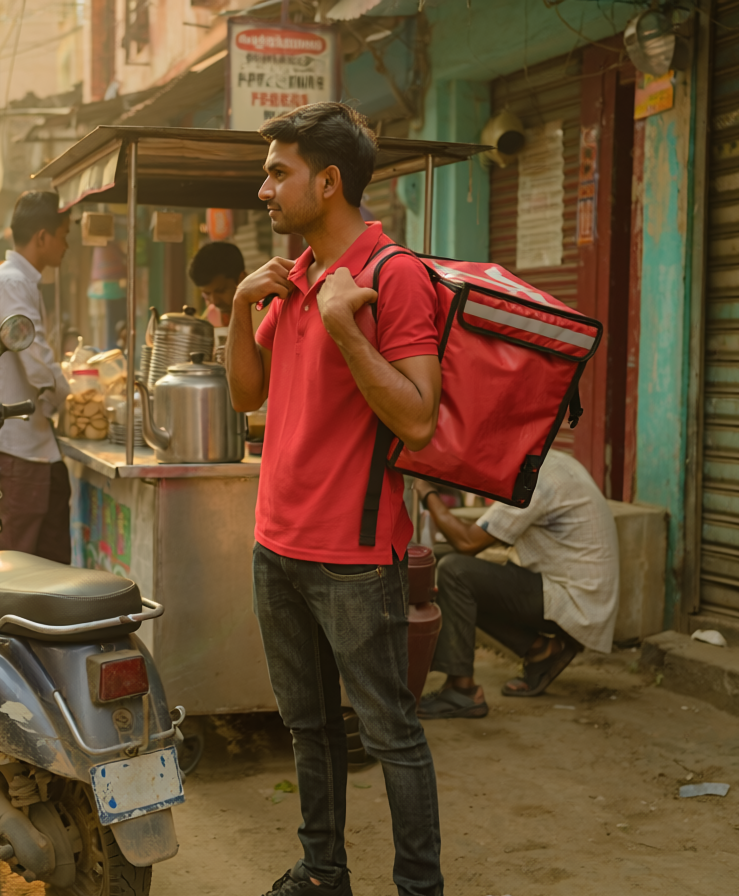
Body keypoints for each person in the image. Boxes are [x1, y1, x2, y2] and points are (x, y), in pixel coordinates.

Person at [226, 103, 444, 896]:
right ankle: (324, 872)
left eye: (277, 173)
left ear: (327, 181)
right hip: (276, 545)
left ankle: (419, 887)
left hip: (354, 559)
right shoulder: (296, 277)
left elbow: (418, 417)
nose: (265, 190)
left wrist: (348, 329)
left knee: (390, 733)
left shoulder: (394, 276)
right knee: (306, 727)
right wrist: (243, 307)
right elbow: (248, 397)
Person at [415, 451, 620, 720]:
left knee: (455, 572)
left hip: (575, 601)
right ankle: (541, 651)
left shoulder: (534, 479)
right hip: (577, 591)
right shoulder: (550, 461)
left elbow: (467, 541)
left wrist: (426, 491)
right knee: (444, 562)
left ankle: (462, 690)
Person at [0, 190, 72, 563]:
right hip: (17, 453)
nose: (67, 245)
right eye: (64, 235)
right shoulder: (12, 282)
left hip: (31, 450)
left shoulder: (17, 280)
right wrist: (69, 396)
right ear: (43, 236)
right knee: (16, 571)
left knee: (44, 571)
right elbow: (35, 360)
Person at [189, 241, 247, 327]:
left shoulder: (263, 311)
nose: (214, 301)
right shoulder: (210, 317)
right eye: (207, 293)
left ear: (242, 279)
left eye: (221, 290)